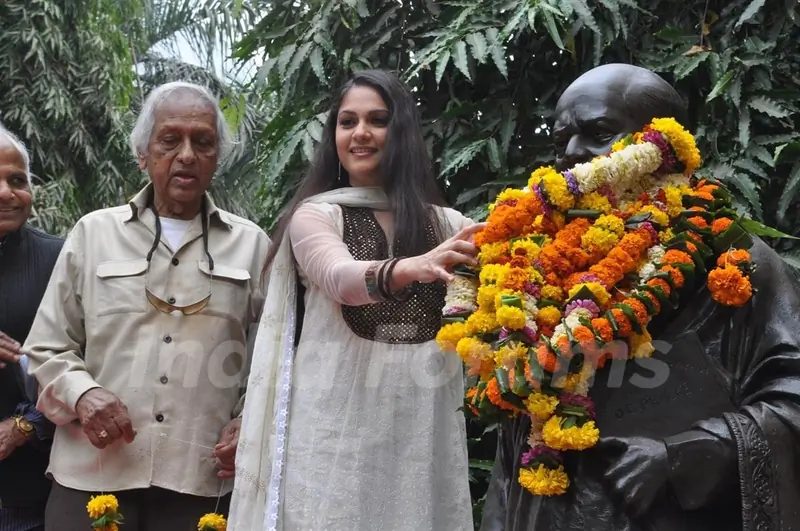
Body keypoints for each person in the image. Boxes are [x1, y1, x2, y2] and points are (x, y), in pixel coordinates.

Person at [480, 63, 800, 531]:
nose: (571, 153)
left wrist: (681, 457)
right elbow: (516, 438)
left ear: (663, 144)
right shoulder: (534, 272)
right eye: (561, 139)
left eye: (599, 133)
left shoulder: (733, 261)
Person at [228, 69, 481, 530]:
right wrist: (415, 267)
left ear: (401, 132)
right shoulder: (316, 215)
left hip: (419, 432)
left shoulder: (448, 225)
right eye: (347, 122)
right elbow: (340, 277)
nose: (360, 133)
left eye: (377, 120)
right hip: (331, 435)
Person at [21, 82, 271, 531]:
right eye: (170, 140)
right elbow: (45, 347)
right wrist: (82, 393)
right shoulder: (92, 234)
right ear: (143, 153)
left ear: (217, 156)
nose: (188, 155)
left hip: (201, 484)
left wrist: (248, 420)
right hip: (93, 478)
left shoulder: (252, 245)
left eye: (204, 141)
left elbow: (272, 361)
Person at [0, 124, 62, 531]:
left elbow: (95, 359)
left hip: (28, 497)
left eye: (17, 180)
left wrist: (23, 427)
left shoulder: (61, 260)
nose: (7, 193)